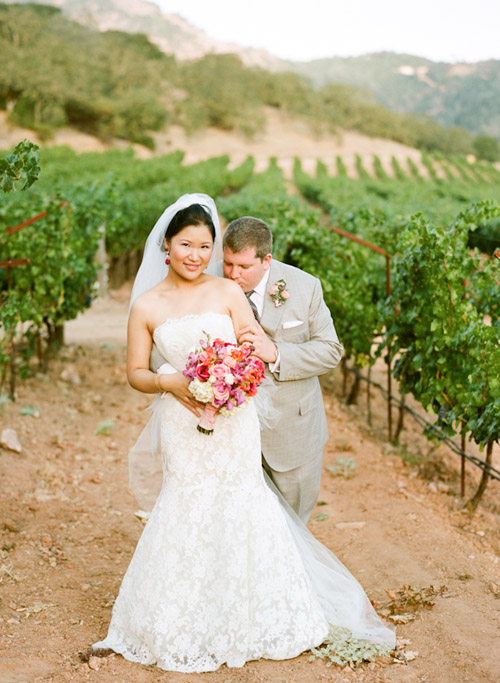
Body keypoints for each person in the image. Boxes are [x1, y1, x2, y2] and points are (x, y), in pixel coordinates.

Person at [90, 194, 395, 673]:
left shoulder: (228, 293)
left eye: (204, 245)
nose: (195, 254)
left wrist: (232, 373)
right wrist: (172, 381)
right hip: (182, 419)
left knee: (243, 504)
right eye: (185, 243)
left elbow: (255, 346)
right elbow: (135, 372)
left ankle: (250, 614)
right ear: (166, 246)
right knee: (187, 505)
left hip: (234, 419)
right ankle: (180, 616)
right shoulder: (147, 305)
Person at [222, 216, 343, 523]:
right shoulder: (213, 287)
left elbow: (331, 351)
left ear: (267, 260)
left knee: (294, 529)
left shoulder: (305, 287)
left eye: (244, 267)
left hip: (293, 433)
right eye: (228, 264)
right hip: (231, 435)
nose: (233, 275)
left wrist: (275, 352)